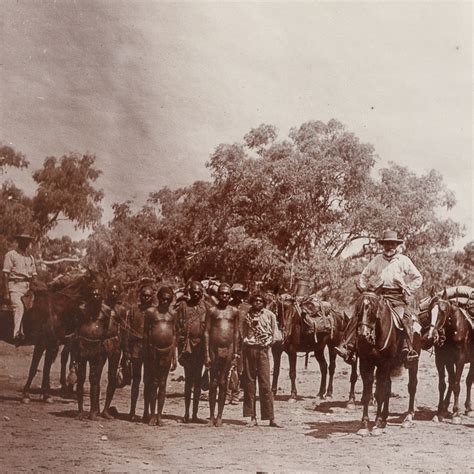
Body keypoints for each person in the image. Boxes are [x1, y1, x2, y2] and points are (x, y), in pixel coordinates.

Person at [336, 230, 423, 365]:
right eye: (387, 244)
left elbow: (418, 277)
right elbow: (364, 275)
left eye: (392, 244)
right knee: (359, 314)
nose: (390, 247)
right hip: (378, 295)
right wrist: (366, 290)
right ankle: (348, 346)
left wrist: (408, 288)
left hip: (397, 297)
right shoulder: (377, 260)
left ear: (396, 245)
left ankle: (408, 349)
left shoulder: (404, 260)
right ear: (383, 245)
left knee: (406, 317)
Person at [241, 292, 282, 428]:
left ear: (264, 303)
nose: (257, 302)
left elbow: (276, 334)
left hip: (263, 351)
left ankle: (271, 418)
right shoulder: (246, 316)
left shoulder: (270, 315)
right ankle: (252, 417)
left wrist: (269, 341)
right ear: (252, 302)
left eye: (260, 301)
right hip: (249, 351)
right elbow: (242, 333)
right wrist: (246, 339)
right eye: (255, 300)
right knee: (250, 384)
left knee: (265, 384)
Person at [73, 284, 111, 420]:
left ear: (102, 297)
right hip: (82, 346)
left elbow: (106, 330)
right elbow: (75, 329)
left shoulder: (106, 311)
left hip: (97, 348)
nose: (95, 297)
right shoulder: (81, 309)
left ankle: (94, 410)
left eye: (98, 294)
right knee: (81, 378)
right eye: (93, 294)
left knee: (95, 380)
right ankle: (80, 409)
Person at [204, 283, 239, 427]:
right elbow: (206, 332)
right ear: (218, 295)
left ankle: (220, 416)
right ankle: (211, 415)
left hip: (229, 349)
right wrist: (206, 353)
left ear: (230, 296)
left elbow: (236, 333)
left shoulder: (234, 311)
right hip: (213, 349)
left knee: (224, 382)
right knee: (213, 382)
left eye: (227, 294)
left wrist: (236, 353)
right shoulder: (212, 311)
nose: (224, 296)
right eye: (222, 293)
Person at [176, 280, 209, 423]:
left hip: (201, 348)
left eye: (198, 292)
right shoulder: (183, 307)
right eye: (193, 292)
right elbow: (177, 327)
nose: (195, 294)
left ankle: (195, 414)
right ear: (189, 293)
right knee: (188, 380)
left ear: (202, 293)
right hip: (187, 348)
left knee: (197, 380)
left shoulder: (206, 308)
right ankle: (186, 413)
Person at [143, 286, 177, 426]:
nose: (165, 301)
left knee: (163, 383)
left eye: (168, 300)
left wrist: (174, 356)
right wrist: (147, 350)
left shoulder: (173, 314)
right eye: (163, 298)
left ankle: (159, 415)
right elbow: (146, 333)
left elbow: (174, 334)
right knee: (153, 383)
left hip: (167, 351)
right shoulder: (151, 312)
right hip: (153, 351)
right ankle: (151, 415)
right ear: (158, 298)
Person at [125, 285, 154, 422]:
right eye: (144, 295)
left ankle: (146, 412)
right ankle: (132, 411)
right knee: (135, 381)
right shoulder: (133, 310)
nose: (146, 298)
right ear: (140, 296)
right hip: (136, 348)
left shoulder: (155, 311)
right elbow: (127, 331)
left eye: (149, 296)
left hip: (150, 350)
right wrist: (127, 351)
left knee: (148, 381)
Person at [2, 234, 37, 343]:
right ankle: (17, 333)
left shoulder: (30, 258)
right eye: (23, 241)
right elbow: (5, 275)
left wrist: (35, 284)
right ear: (19, 241)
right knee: (19, 307)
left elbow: (34, 274)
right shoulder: (11, 255)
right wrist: (7, 293)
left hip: (28, 288)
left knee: (40, 305)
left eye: (28, 241)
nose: (26, 243)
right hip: (15, 287)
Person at [101, 283, 128, 420]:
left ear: (118, 294)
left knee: (112, 376)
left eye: (115, 292)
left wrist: (124, 351)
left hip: (115, 343)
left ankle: (106, 408)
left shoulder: (121, 310)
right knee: (95, 375)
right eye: (110, 291)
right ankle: (93, 408)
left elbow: (123, 330)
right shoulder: (100, 307)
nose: (112, 294)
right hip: (100, 343)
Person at [226, 283, 250, 405]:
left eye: (240, 293)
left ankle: (236, 393)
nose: (237, 295)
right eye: (236, 293)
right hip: (228, 341)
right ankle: (227, 394)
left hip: (242, 342)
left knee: (240, 368)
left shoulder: (247, 308)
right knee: (227, 366)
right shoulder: (226, 306)